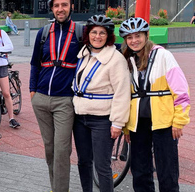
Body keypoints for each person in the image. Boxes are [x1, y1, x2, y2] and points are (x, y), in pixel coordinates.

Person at [119, 17, 190, 192]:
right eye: (129, 37)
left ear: (146, 36)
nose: (134, 41)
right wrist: (127, 127)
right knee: (140, 171)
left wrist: (179, 121)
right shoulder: (128, 61)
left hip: (163, 122)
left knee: (167, 171)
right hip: (139, 123)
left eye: (138, 36)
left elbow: (181, 90)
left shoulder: (163, 56)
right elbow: (127, 97)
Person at [29, 0, 82, 192]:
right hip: (41, 99)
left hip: (65, 101)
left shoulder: (80, 32)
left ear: (71, 7)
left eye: (64, 5)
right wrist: (33, 91)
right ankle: (55, 187)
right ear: (52, 8)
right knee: (50, 149)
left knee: (62, 150)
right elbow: (35, 63)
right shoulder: (43, 33)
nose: (60, 9)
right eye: (56, 5)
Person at [72, 15, 131, 192]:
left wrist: (118, 123)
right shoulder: (84, 54)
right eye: (94, 32)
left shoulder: (116, 59)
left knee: (102, 166)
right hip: (80, 117)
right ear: (88, 34)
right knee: (83, 161)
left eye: (102, 33)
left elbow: (122, 92)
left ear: (109, 36)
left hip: (102, 120)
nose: (97, 36)